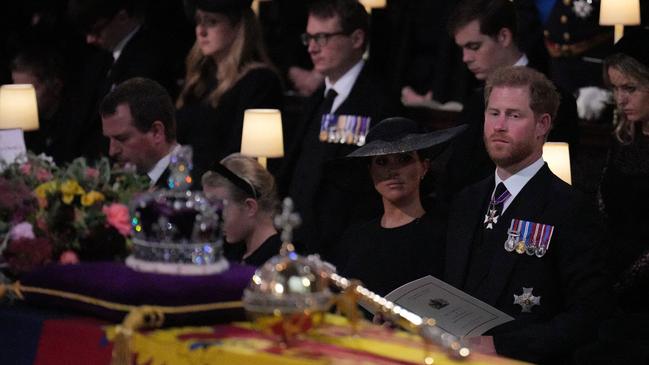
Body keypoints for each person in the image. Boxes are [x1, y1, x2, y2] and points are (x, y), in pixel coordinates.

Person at [444, 66, 611, 363]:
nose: (499, 125)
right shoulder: (466, 200)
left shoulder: (570, 208)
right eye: (493, 113)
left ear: (542, 124)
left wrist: (503, 347)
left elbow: (588, 316)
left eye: (514, 115)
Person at [282, 0, 400, 256]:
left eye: (322, 37)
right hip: (299, 242)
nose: (312, 48)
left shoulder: (378, 101)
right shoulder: (318, 99)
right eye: (309, 37)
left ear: (356, 38)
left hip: (345, 249)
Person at [440, 0, 578, 201]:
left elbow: (553, 181)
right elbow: (455, 174)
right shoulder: (475, 100)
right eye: (462, 49)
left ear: (504, 36)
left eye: (474, 46)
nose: (465, 58)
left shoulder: (555, 99)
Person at [335, 118, 464, 296]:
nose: (392, 170)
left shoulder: (445, 235)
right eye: (382, 161)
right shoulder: (355, 238)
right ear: (370, 171)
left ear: (424, 167)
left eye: (404, 159)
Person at [175, 0, 283, 179]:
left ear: (238, 26)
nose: (201, 31)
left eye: (212, 22)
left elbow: (241, 156)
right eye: (199, 22)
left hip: (225, 191)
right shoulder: (199, 81)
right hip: (186, 184)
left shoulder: (259, 82)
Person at [68, 0, 186, 162]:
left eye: (96, 30)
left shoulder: (149, 60)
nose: (90, 39)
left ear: (122, 17)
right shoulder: (100, 60)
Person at [599, 28, 649, 297]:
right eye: (615, 88)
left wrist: (621, 285)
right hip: (610, 275)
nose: (620, 99)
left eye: (630, 88)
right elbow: (605, 205)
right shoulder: (624, 137)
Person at [100, 77, 181, 189]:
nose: (112, 151)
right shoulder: (117, 185)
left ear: (156, 132)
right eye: (109, 139)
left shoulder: (197, 192)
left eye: (122, 138)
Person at [202, 154, 282, 267]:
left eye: (220, 207)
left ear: (250, 207)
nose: (214, 218)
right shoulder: (231, 253)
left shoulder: (276, 265)